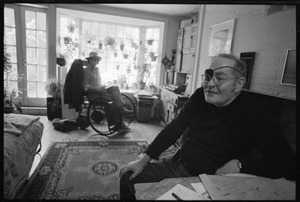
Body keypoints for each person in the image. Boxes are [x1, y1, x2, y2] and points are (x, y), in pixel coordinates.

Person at [119, 53, 296, 200]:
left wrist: (241, 164)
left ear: (239, 84)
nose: (210, 84)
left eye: (220, 78)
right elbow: (174, 128)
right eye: (209, 76)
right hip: (180, 164)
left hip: (212, 182)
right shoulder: (199, 97)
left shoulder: (253, 113)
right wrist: (144, 159)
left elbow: (287, 162)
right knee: (128, 176)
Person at [83, 52, 133, 131]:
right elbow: (85, 87)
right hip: (93, 94)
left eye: (96, 60)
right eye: (93, 60)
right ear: (89, 61)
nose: (95, 62)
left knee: (115, 88)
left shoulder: (96, 70)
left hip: (100, 90)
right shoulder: (85, 71)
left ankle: (121, 108)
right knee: (111, 99)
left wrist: (102, 86)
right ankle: (118, 123)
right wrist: (97, 89)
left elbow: (98, 82)